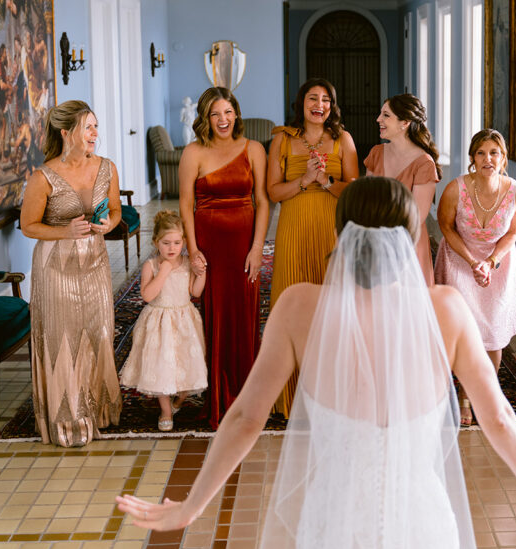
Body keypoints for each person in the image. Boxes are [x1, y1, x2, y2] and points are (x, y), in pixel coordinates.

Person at [116, 177, 516, 549]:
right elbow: (500, 418)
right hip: (420, 530)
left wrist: (191, 506)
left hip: (337, 529)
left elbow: (247, 416)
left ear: (341, 233)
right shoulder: (447, 309)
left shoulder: (298, 307)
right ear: (409, 238)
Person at [20, 100, 122, 446]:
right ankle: (68, 419)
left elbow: (116, 210)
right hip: (56, 268)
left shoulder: (107, 168)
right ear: (67, 133)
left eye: (96, 126)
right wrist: (66, 232)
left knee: (99, 331)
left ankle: (100, 411)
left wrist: (109, 223)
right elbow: (28, 226)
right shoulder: (43, 176)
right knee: (64, 337)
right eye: (88, 127)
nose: (95, 133)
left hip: (95, 262)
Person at [267, 77, 359, 416]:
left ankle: (333, 395)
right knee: (290, 307)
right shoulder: (281, 139)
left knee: (332, 310)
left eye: (325, 99)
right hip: (293, 228)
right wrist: (304, 180)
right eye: (312, 98)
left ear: (332, 107)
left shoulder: (343, 140)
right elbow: (273, 193)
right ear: (301, 103)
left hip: (331, 230)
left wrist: (325, 181)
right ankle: (291, 397)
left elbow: (353, 190)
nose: (318, 104)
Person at [179, 87, 268, 429]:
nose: (223, 120)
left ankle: (247, 396)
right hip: (210, 242)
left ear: (237, 114)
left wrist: (258, 247)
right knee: (215, 315)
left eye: (228, 112)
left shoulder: (254, 149)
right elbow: (186, 204)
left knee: (244, 314)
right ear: (205, 118)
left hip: (245, 241)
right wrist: (192, 247)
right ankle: (219, 397)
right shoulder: (193, 152)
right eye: (215, 114)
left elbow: (262, 200)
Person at [435, 128, 516, 426]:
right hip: (461, 259)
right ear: (473, 158)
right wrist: (474, 261)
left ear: (503, 158)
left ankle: (484, 392)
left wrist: (490, 261)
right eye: (481, 153)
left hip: (497, 265)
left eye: (494, 153)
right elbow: (446, 228)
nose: (488, 159)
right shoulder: (455, 189)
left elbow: (513, 232)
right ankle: (463, 395)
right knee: (466, 333)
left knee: (493, 334)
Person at [119, 210, 207, 431]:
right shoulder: (152, 266)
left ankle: (179, 401)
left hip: (184, 320)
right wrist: (163, 272)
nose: (172, 248)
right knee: (161, 367)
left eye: (177, 243)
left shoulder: (187, 263)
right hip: (159, 323)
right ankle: (166, 410)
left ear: (184, 243)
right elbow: (147, 296)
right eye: (166, 243)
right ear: (156, 242)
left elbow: (195, 292)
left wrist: (202, 273)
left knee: (189, 365)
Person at [365, 92, 441, 283]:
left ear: (404, 122)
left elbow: (416, 216)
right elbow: (366, 200)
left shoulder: (424, 163)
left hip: (408, 244)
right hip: (375, 239)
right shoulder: (376, 153)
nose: (378, 119)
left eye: (386, 115)